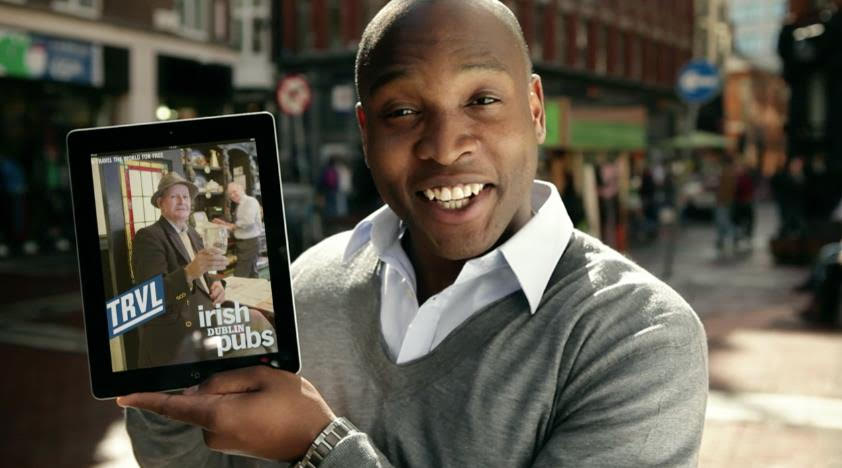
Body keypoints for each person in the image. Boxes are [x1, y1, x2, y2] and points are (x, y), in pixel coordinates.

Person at [119, 1, 708, 466]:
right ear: (364, 130)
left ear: (534, 109)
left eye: (482, 99)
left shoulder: (638, 337)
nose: (446, 145)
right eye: (403, 111)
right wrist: (171, 384)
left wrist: (320, 448)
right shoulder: (304, 286)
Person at [131, 171, 228, 368]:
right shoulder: (149, 237)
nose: (182, 201)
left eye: (185, 196)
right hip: (175, 334)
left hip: (204, 321)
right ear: (160, 203)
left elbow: (204, 273)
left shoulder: (193, 233)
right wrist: (189, 272)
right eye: (174, 196)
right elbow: (150, 297)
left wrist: (216, 283)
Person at [214, 182, 263, 278]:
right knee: (251, 273)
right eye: (230, 194)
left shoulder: (250, 201)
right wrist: (224, 224)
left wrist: (230, 226)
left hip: (249, 243)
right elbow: (239, 226)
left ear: (241, 188)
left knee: (240, 275)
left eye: (234, 192)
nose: (232, 195)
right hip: (246, 243)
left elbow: (248, 222)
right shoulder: (240, 205)